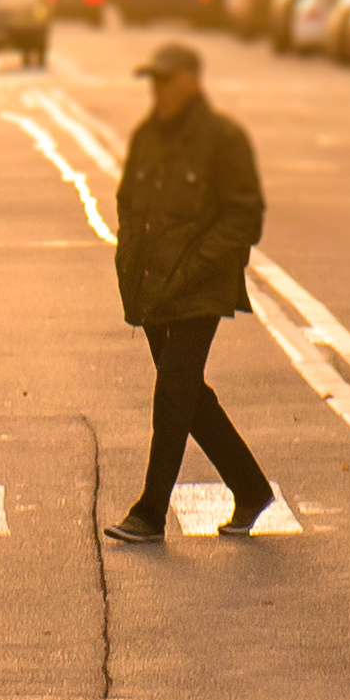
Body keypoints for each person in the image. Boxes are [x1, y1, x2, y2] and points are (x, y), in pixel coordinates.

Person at [103, 42, 275, 544]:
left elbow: (244, 218)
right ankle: (250, 488)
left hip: (201, 289)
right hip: (153, 287)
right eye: (153, 81)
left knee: (173, 393)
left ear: (192, 82)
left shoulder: (223, 140)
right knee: (188, 395)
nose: (158, 90)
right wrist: (128, 263)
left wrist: (194, 268)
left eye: (166, 81)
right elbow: (129, 204)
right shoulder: (147, 136)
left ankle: (150, 513)